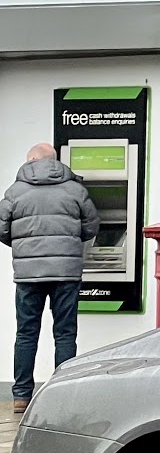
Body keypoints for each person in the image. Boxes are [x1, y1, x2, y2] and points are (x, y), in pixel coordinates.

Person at [1, 143, 100, 414]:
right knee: (65, 333)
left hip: (28, 274)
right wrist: (67, 244)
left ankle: (21, 396)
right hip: (66, 272)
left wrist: (25, 246)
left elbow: (2, 228)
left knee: (26, 333)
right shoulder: (75, 189)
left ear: (32, 160)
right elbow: (91, 226)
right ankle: (63, 393)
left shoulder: (15, 191)